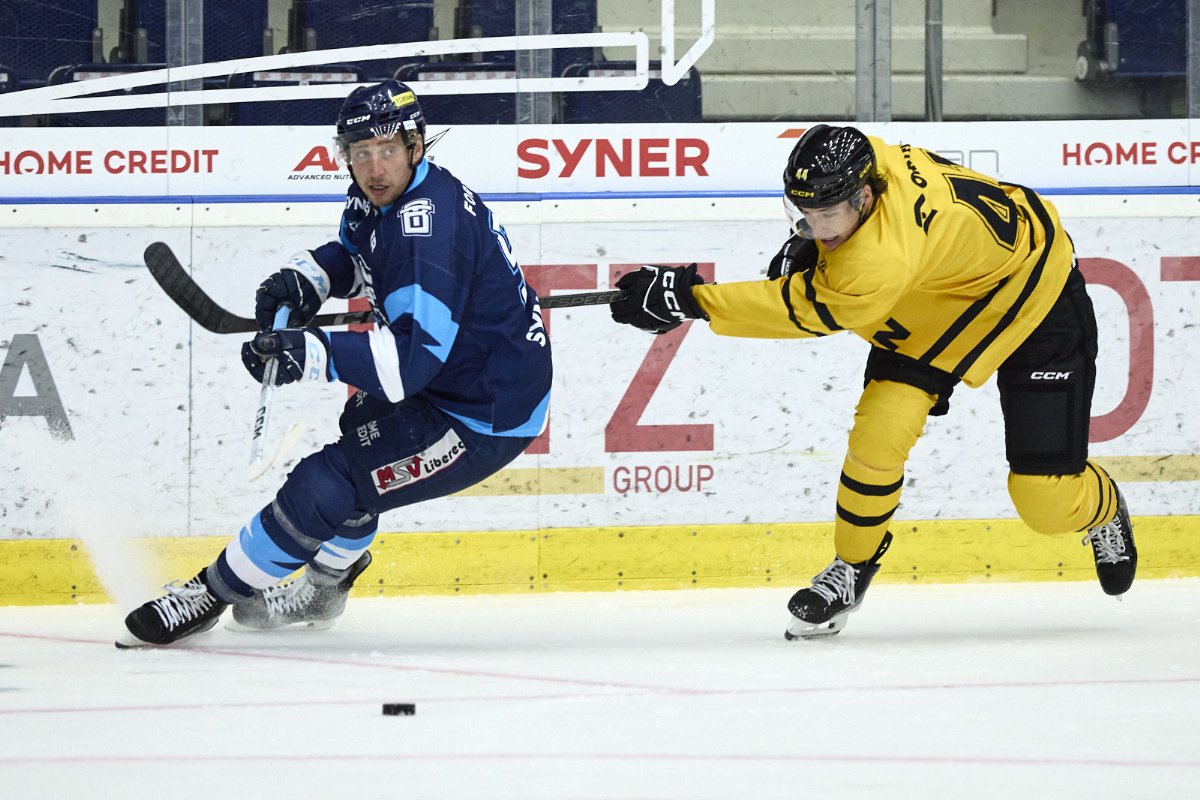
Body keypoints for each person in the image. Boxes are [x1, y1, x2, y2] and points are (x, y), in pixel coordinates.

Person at [609, 124, 1136, 640]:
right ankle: (852, 567)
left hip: (1036, 294)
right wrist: (810, 241)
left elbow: (798, 310)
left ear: (863, 198)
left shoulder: (878, 262)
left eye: (827, 216)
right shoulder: (871, 158)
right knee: (877, 438)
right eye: (805, 214)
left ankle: (1103, 506)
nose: (816, 227)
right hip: (935, 301)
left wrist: (689, 299)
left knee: (1044, 501)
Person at [117, 80, 552, 647]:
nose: (374, 167)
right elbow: (358, 253)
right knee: (362, 437)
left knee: (330, 482)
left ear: (416, 146)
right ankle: (325, 589)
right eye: (360, 152)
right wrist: (310, 279)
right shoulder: (386, 195)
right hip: (460, 379)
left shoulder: (429, 230)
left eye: (387, 150)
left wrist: (310, 350)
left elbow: (409, 366)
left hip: (483, 416)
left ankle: (208, 594)